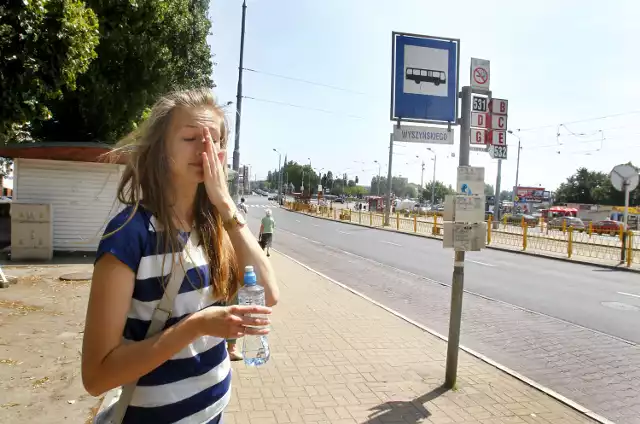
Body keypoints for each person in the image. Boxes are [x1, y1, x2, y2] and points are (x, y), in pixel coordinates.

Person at [82, 88, 279, 424]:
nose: (206, 149)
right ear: (161, 150)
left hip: (213, 412)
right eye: (191, 137)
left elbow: (268, 292)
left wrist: (226, 204)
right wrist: (197, 326)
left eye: (215, 140)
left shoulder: (216, 225)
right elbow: (97, 376)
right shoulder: (130, 234)